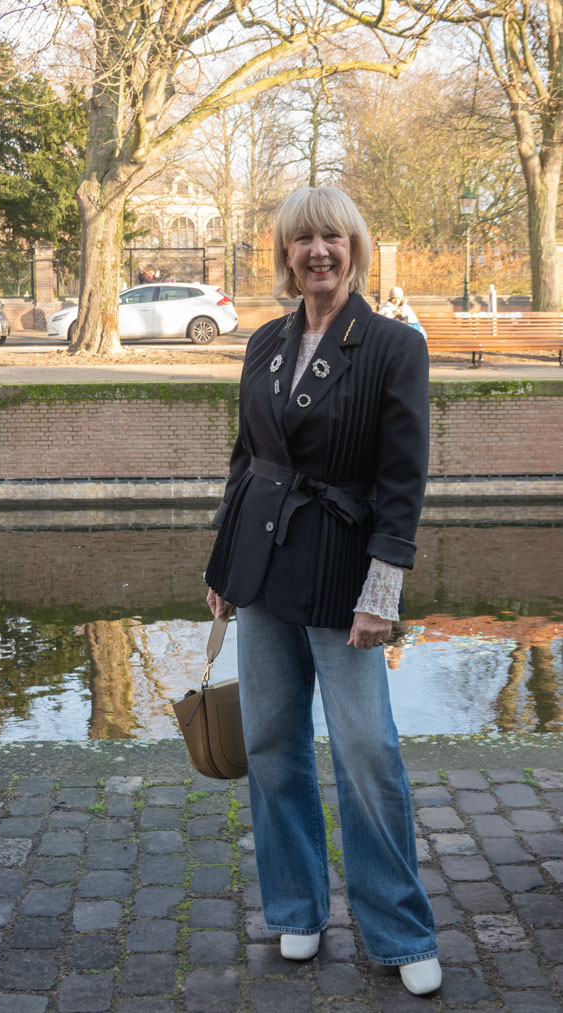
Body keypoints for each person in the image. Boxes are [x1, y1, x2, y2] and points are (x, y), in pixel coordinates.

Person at [205, 186, 441, 996]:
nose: (317, 251)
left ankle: (399, 931)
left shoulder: (391, 344)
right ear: (284, 252)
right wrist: (220, 567)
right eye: (302, 239)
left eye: (331, 238)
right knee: (271, 742)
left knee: (366, 751)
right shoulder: (264, 342)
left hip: (345, 579)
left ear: (354, 248)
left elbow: (400, 480)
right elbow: (245, 460)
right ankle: (297, 908)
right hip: (263, 572)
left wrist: (383, 588)